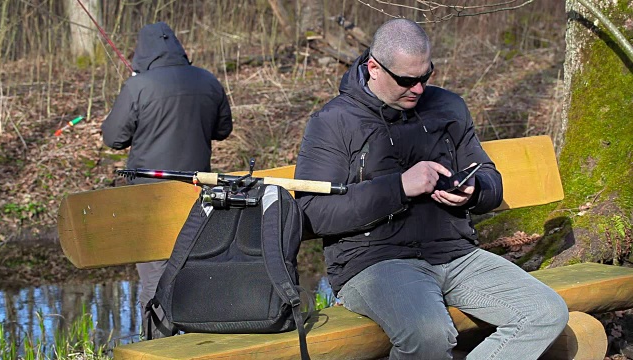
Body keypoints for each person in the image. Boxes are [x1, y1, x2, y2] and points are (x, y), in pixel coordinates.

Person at [294, 19, 568, 359]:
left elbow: (489, 177)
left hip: (456, 254)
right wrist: (400, 187)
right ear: (374, 68)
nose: (418, 89)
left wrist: (475, 190)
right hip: (375, 264)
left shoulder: (448, 107)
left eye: (426, 76)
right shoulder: (334, 122)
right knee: (430, 335)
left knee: (545, 311)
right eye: (407, 80)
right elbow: (312, 212)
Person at [101, 21, 233, 339]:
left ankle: (157, 347)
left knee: (156, 276)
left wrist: (135, 88)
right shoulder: (208, 80)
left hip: (148, 200)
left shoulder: (138, 86)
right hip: (197, 196)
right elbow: (223, 129)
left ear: (142, 51)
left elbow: (114, 138)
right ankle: (201, 342)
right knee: (194, 270)